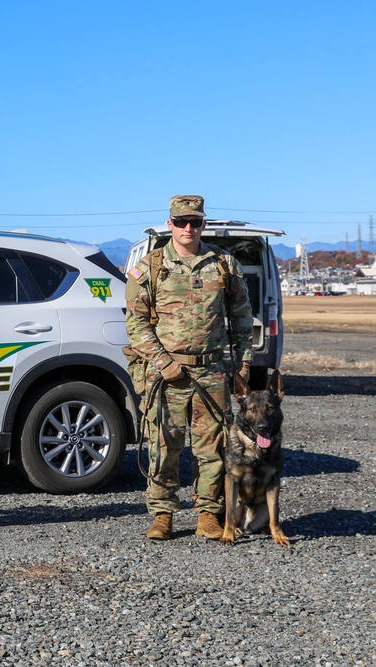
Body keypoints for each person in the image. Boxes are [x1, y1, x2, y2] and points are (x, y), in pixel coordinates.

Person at [124, 194, 252, 541]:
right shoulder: (150, 266)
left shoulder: (223, 263)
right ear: (170, 224)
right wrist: (163, 363)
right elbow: (136, 324)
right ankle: (162, 514)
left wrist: (242, 366)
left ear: (203, 224)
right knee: (163, 444)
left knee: (212, 447)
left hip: (211, 372)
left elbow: (242, 318)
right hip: (166, 374)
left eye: (195, 222)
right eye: (181, 222)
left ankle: (208, 514)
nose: (188, 228)